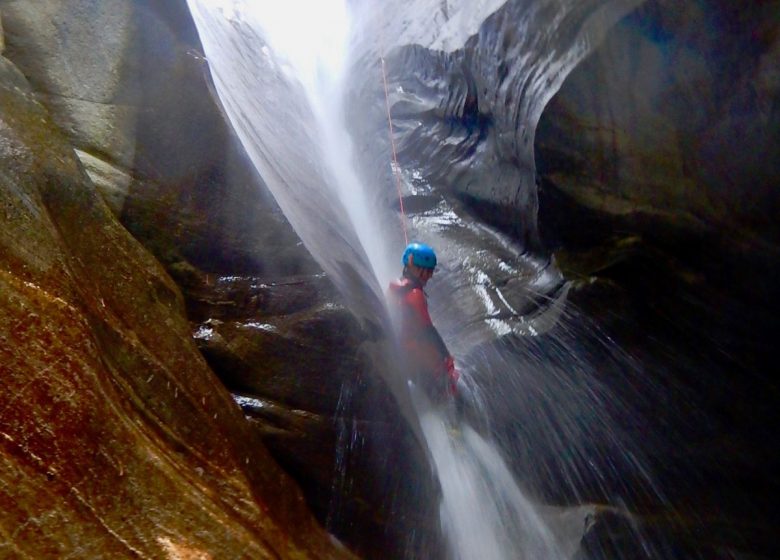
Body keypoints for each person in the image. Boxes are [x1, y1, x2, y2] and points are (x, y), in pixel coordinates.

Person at [387, 242, 459, 402]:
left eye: (430, 271)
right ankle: (451, 422)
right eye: (425, 270)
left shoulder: (394, 288)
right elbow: (428, 330)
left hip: (402, 354)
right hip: (419, 358)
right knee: (448, 389)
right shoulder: (415, 294)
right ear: (412, 265)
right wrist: (446, 356)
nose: (428, 276)